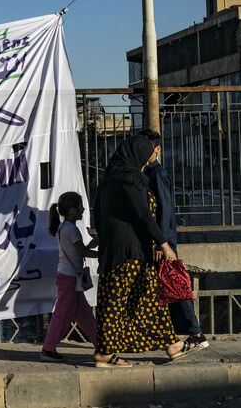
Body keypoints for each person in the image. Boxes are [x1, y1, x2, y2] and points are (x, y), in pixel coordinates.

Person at [92, 135, 196, 367]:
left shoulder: (109, 179)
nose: (151, 156)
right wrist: (163, 243)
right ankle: (105, 354)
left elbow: (97, 215)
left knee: (147, 299)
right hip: (129, 253)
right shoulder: (131, 179)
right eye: (149, 151)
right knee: (117, 303)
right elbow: (143, 215)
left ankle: (172, 345)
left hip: (119, 251)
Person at [139, 129, 209, 353]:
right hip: (160, 240)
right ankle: (185, 333)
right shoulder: (147, 172)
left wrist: (163, 243)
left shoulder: (157, 173)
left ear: (157, 149)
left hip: (163, 242)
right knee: (168, 287)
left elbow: (165, 210)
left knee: (174, 286)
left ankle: (196, 332)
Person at [40, 192, 98, 362]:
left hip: (69, 276)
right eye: (80, 207)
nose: (83, 209)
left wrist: (90, 246)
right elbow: (83, 252)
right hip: (70, 278)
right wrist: (103, 254)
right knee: (62, 314)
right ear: (72, 210)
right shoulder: (72, 229)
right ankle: (48, 348)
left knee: (84, 314)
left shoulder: (65, 227)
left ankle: (101, 344)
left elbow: (77, 252)